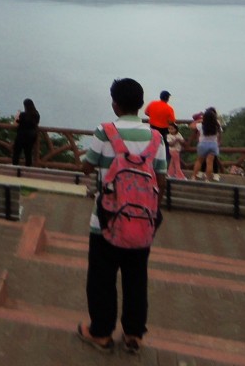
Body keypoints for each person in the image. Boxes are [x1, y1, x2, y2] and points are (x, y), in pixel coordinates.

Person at [78, 77, 166, 355]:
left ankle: (101, 333)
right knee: (136, 279)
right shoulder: (156, 137)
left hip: (105, 221)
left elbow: (88, 167)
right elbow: (161, 179)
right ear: (141, 105)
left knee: (102, 279)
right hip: (142, 223)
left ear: (115, 104)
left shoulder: (105, 132)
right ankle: (133, 334)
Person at [191, 107, 222, 182]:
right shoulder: (217, 125)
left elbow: (192, 126)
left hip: (203, 144)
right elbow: (220, 133)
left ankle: (194, 177)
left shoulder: (201, 125)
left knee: (199, 161)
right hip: (213, 144)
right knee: (210, 163)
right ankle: (207, 179)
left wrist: (199, 120)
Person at [143, 89, 175, 155]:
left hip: (152, 127)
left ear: (160, 96)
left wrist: (152, 116)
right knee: (165, 145)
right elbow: (172, 121)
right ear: (168, 98)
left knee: (152, 143)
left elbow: (146, 112)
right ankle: (165, 159)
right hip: (164, 130)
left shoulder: (152, 103)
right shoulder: (169, 108)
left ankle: (151, 157)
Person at [12, 98, 41, 167]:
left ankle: (15, 166)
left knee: (17, 151)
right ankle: (28, 167)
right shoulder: (36, 114)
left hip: (21, 134)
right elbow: (36, 124)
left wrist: (17, 114)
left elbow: (15, 124)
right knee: (28, 152)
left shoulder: (22, 114)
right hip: (32, 135)